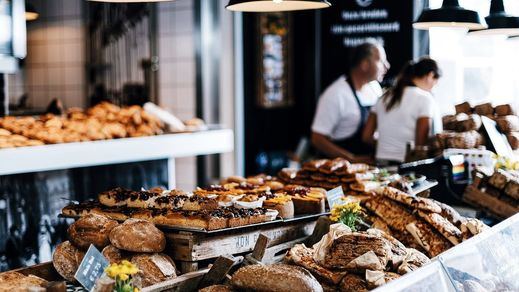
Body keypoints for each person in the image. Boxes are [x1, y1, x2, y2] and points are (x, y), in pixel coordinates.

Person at [311, 41, 390, 163]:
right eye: (381, 61)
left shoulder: (375, 87)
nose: (387, 66)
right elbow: (317, 139)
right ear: (364, 64)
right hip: (339, 170)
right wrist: (351, 159)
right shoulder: (336, 94)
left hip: (368, 167)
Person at [362, 57, 442, 165]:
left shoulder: (384, 97)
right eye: (436, 82)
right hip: (406, 166)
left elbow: (366, 137)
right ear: (431, 75)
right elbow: (420, 146)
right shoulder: (425, 98)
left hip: (380, 163)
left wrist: (387, 146)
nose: (434, 87)